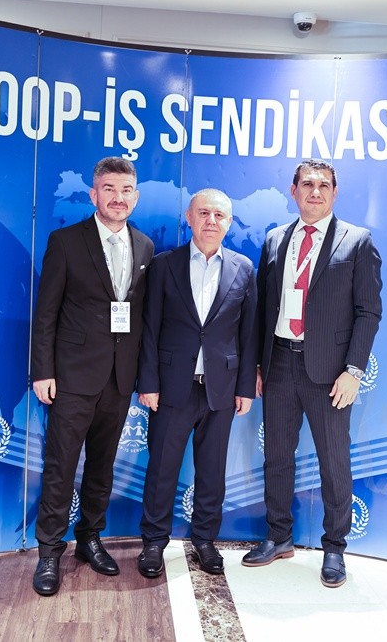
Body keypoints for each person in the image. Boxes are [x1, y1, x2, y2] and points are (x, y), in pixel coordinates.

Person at [243, 158, 382, 588]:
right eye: (307, 184)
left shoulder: (357, 241)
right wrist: (259, 364)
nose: (315, 191)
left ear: (335, 193)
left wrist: (353, 371)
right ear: (294, 190)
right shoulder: (275, 240)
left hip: (330, 372)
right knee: (277, 457)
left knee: (334, 461)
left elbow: (368, 312)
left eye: (323, 185)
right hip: (280, 364)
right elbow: (262, 308)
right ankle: (278, 536)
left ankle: (334, 547)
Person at [29, 156, 154, 596]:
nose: (118, 198)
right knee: (61, 466)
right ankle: (49, 552)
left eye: (126, 191)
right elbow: (46, 313)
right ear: (93, 194)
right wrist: (42, 371)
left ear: (135, 197)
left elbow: (141, 318)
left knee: (102, 466)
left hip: (119, 380)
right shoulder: (66, 242)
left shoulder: (145, 246)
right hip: (71, 379)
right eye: (109, 189)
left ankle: (89, 538)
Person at [135, 189, 257, 578]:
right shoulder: (164, 265)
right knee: (162, 469)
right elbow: (149, 328)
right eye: (203, 213)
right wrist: (148, 382)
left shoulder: (243, 268)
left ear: (229, 222)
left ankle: (205, 540)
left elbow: (249, 333)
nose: (210, 221)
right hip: (172, 387)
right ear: (189, 218)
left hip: (221, 389)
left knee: (212, 471)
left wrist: (245, 387)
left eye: (219, 215)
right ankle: (154, 542)